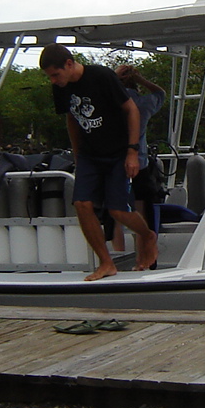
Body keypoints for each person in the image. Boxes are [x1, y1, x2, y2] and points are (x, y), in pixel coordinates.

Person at [39, 44, 158, 281]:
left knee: (117, 210)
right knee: (82, 204)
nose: (53, 80)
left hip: (118, 152)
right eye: (49, 76)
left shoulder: (101, 76)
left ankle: (147, 235)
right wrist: (76, 153)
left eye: (56, 74)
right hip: (89, 155)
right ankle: (106, 263)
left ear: (69, 64)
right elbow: (72, 118)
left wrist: (132, 152)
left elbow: (132, 110)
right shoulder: (60, 87)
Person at [111, 64, 166, 251]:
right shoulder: (143, 104)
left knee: (115, 210)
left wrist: (114, 77)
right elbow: (161, 94)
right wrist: (141, 79)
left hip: (114, 163)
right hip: (139, 163)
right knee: (141, 208)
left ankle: (117, 253)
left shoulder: (109, 104)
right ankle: (142, 256)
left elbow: (95, 95)